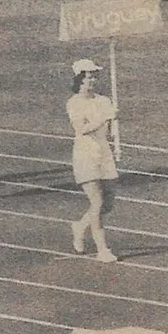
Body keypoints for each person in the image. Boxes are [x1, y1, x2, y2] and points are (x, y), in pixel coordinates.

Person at [66, 58, 119, 263]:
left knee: (108, 204)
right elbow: (82, 129)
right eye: (88, 77)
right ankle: (102, 249)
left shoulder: (103, 100)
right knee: (97, 202)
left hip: (104, 153)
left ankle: (80, 226)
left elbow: (109, 127)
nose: (93, 80)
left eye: (94, 76)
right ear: (79, 80)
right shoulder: (74, 103)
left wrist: (114, 125)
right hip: (85, 155)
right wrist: (105, 118)